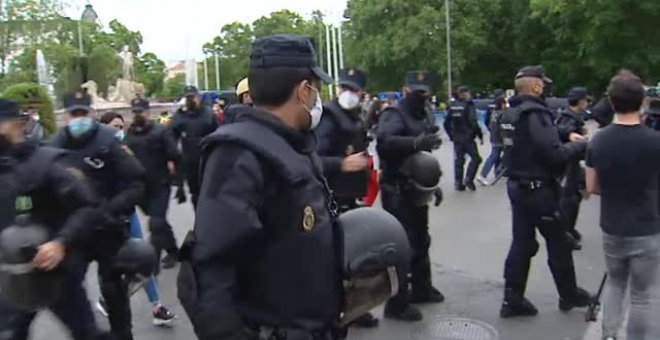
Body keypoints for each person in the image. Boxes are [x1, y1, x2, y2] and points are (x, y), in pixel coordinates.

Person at [177, 34, 346, 340]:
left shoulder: (295, 144)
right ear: (303, 90)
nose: (317, 97)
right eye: (316, 88)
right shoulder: (237, 154)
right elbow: (212, 274)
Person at [0, 99, 112, 340]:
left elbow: (87, 207)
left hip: (57, 272)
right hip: (10, 278)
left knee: (87, 334)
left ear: (18, 125)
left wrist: (61, 242)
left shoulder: (48, 162)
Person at [49, 92, 146, 340]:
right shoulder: (53, 147)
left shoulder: (110, 140)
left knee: (115, 293)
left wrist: (110, 209)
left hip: (108, 229)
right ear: (66, 115)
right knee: (69, 291)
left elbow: (136, 182)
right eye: (74, 114)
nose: (79, 118)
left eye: (84, 113)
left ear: (91, 113)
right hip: (75, 233)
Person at [498, 65, 591, 318]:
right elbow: (554, 156)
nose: (546, 87)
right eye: (543, 83)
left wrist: (563, 133)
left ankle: (512, 299)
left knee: (522, 243)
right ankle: (569, 294)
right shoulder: (535, 112)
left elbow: (534, 137)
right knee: (559, 243)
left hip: (517, 187)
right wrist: (581, 147)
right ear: (536, 86)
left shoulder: (512, 112)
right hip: (539, 192)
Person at [586, 71, 660, 340]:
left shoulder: (598, 140)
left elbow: (592, 186)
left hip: (613, 226)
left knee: (616, 283)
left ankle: (608, 334)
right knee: (641, 295)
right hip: (648, 226)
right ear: (642, 103)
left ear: (612, 102)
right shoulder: (655, 142)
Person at [97, 111, 176, 326]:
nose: (118, 132)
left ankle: (157, 306)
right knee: (107, 261)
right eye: (114, 126)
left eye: (121, 127)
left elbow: (138, 177)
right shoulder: (96, 156)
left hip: (128, 213)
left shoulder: (126, 151)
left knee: (143, 256)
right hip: (105, 217)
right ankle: (106, 299)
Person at [376, 70, 444, 322]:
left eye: (424, 92)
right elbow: (385, 142)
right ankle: (397, 302)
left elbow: (422, 157)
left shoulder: (423, 112)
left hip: (416, 186)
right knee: (402, 246)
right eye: (415, 92)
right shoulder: (394, 114)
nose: (420, 96)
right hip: (397, 187)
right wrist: (416, 142)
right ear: (405, 90)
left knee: (421, 240)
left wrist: (432, 185)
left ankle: (422, 289)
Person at [315, 67, 377, 328]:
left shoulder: (355, 115)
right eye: (344, 88)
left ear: (362, 92)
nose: (347, 93)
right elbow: (313, 159)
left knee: (353, 255)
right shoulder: (329, 116)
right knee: (333, 259)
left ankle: (353, 307)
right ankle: (332, 311)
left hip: (351, 193)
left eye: (353, 89)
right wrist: (341, 163)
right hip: (332, 195)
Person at [126, 99, 181, 269]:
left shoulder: (160, 131)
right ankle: (173, 250)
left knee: (156, 223)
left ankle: (152, 262)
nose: (137, 115)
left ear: (148, 112)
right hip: (140, 188)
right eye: (135, 112)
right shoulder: (128, 135)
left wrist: (177, 177)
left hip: (160, 184)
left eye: (140, 112)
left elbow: (174, 153)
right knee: (159, 222)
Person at [171, 85, 219, 208]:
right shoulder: (179, 117)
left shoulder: (209, 114)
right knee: (196, 195)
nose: (191, 100)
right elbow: (171, 139)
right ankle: (199, 224)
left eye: (193, 97)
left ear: (198, 97)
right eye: (188, 98)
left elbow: (219, 134)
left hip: (208, 159)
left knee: (210, 194)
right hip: (190, 162)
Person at [556, 87, 590, 251]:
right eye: (586, 100)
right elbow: (561, 129)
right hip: (568, 164)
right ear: (581, 100)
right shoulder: (567, 116)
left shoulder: (574, 116)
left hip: (574, 163)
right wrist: (572, 134)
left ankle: (569, 228)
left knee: (577, 194)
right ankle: (565, 233)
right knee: (569, 199)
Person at [444, 86, 483, 191]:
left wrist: (451, 135)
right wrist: (480, 135)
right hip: (468, 137)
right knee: (476, 158)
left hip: (457, 137)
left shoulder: (453, 106)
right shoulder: (469, 105)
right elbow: (473, 122)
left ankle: (458, 182)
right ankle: (469, 179)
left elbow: (446, 123)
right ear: (464, 93)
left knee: (459, 160)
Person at [477, 92, 507, 185]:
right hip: (500, 138)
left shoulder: (494, 113)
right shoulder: (503, 114)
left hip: (494, 136)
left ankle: (497, 171)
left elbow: (489, 124)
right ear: (502, 104)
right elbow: (503, 127)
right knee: (500, 155)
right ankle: (483, 175)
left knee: (495, 155)